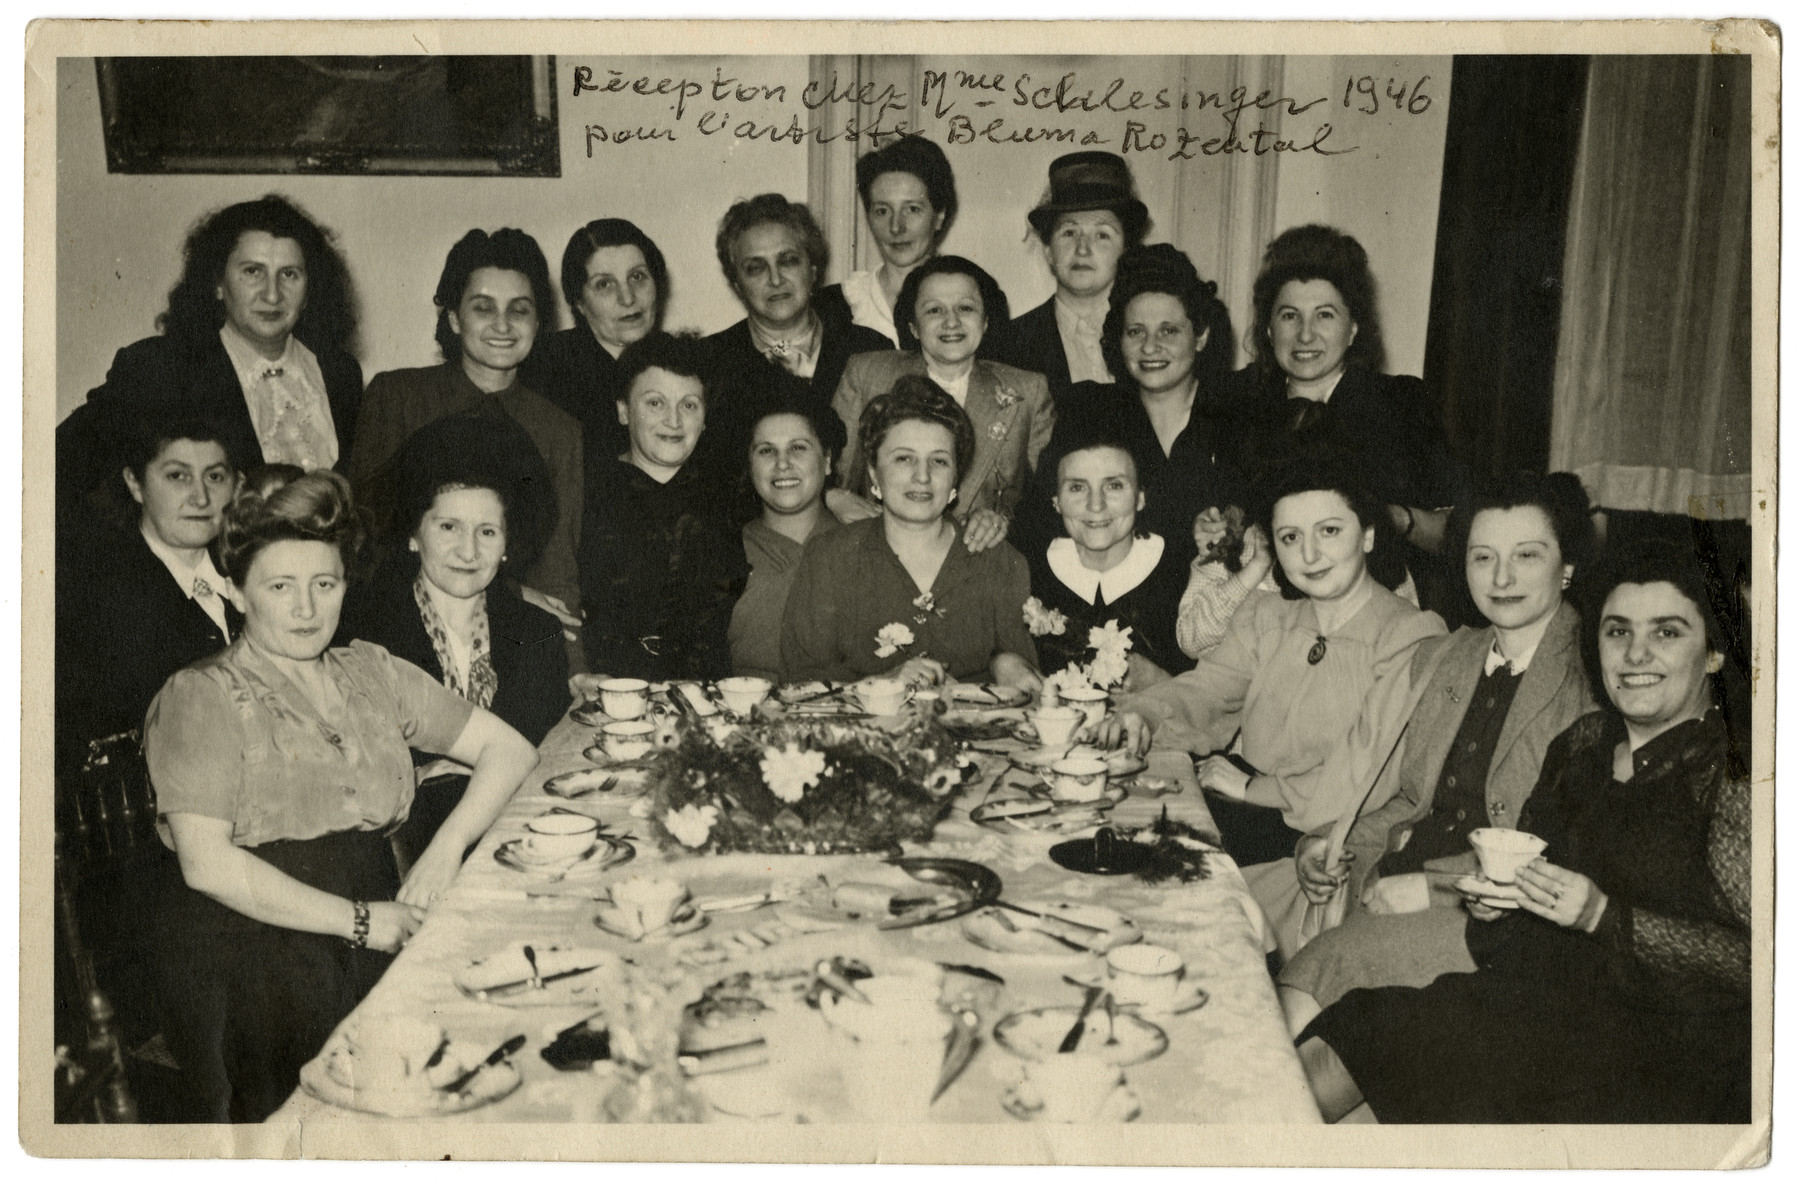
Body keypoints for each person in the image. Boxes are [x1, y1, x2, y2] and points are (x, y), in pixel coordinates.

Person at [1293, 540, 1750, 1123]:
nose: (1636, 654)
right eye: (1617, 632)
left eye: (1666, 633)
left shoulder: (1734, 772)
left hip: (1650, 1046)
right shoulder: (1582, 745)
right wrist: (1496, 902)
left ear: (1713, 653)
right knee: (1342, 1038)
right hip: (1530, 999)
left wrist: (1602, 915)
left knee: (1372, 1055)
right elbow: (1530, 882)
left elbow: (1757, 960)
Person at [143, 468, 538, 1122]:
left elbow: (511, 751)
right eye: (279, 586)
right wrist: (359, 920)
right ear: (238, 592)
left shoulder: (370, 670)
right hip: (251, 947)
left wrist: (444, 850)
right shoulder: (201, 695)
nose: (305, 608)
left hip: (369, 918)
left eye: (323, 584)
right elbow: (206, 863)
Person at [1276, 472, 1599, 1029]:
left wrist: (1433, 888)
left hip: (1492, 923)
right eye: (1482, 557)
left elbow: (1569, 847)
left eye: (1526, 555)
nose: (1501, 577)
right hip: (1387, 886)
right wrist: (1330, 846)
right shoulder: (1449, 656)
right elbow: (1409, 802)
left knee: (1299, 995)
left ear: (1567, 566)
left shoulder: (1592, 678)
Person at [1105, 456, 1446, 954]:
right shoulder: (1267, 614)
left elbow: (1367, 766)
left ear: (1368, 536)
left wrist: (1251, 788)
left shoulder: (1410, 633)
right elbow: (1209, 689)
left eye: (1329, 530)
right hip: (1243, 808)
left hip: (1320, 829)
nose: (1309, 553)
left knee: (1166, 914)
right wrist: (1145, 713)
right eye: (1289, 538)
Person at [342, 414, 570, 871]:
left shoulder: (537, 632)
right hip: (397, 855)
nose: (469, 552)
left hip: (519, 842)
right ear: (412, 535)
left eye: (487, 532)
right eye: (448, 528)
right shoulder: (366, 630)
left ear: (507, 544)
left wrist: (445, 769)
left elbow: (537, 758)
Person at [58, 194, 362, 517]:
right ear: (217, 283)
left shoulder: (340, 373)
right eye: (252, 272)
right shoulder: (157, 366)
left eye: (289, 274)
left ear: (310, 290)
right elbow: (56, 470)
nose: (273, 294)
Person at [347, 228, 583, 640]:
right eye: (483, 308)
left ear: (538, 322)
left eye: (520, 309)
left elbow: (558, 570)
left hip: (512, 642)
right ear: (454, 318)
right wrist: (508, 590)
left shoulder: (558, 429)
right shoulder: (397, 397)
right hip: (399, 630)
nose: (503, 325)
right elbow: (366, 542)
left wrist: (574, 672)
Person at [1226, 224, 1469, 607]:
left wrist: (1396, 519)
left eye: (1325, 315)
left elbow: (1461, 534)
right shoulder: (1237, 403)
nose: (1305, 335)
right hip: (1261, 615)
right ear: (1269, 330)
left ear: (1354, 327)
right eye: (1289, 316)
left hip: (1377, 614)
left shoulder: (1401, 402)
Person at [780, 375, 1040, 689]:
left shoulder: (999, 562)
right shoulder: (829, 557)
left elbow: (1024, 691)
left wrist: (1009, 665)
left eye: (940, 461)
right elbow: (798, 687)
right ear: (875, 472)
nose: (922, 476)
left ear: (956, 477)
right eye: (904, 458)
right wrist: (881, 685)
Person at [1020, 243, 1238, 569]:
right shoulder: (1090, 411)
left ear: (1201, 336)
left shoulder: (1237, 414)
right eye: (1136, 331)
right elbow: (1041, 518)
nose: (1150, 346)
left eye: (1169, 330)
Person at [56, 416, 240, 776]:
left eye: (215, 476)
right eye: (177, 476)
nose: (201, 497)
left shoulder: (254, 568)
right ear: (135, 483)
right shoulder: (95, 600)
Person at [830, 256, 1054, 551]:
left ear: (986, 321)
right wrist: (833, 498)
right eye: (934, 310)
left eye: (966, 308)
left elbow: (1051, 497)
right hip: (879, 553)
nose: (952, 321)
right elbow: (831, 471)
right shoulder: (867, 374)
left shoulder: (1027, 390)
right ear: (913, 326)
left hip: (978, 559)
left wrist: (1002, 522)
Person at [576, 332, 747, 683]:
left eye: (689, 405)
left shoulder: (732, 497)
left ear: (705, 417)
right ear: (623, 411)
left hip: (708, 693)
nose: (674, 420)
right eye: (655, 403)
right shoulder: (585, 494)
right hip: (611, 692)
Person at [702, 194, 892, 474]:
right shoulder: (707, 362)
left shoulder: (869, 348)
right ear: (737, 285)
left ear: (813, 270)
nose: (775, 279)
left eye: (788, 261)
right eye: (755, 268)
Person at [1026, 439, 1193, 689]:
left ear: (1140, 498)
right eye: (1077, 487)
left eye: (1114, 485)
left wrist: (1163, 685)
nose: (1096, 505)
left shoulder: (1183, 574)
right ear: (1056, 502)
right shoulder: (1028, 570)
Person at [994, 151, 1149, 410]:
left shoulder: (1151, 338)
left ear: (1126, 251)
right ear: (1048, 251)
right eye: (1069, 233)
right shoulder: (1007, 345)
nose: (1082, 249)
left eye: (1102, 235)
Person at [729, 375, 848, 682]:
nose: (783, 464)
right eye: (766, 451)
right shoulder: (724, 550)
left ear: (827, 460)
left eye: (798, 448)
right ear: (749, 465)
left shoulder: (862, 547)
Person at [519, 218, 668, 456]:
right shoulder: (544, 369)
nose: (628, 298)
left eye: (638, 277)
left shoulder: (685, 360)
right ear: (579, 302)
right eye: (605, 284)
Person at [816, 136, 959, 347]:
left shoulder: (973, 302)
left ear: (939, 216)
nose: (896, 227)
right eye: (882, 211)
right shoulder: (835, 306)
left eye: (912, 209)